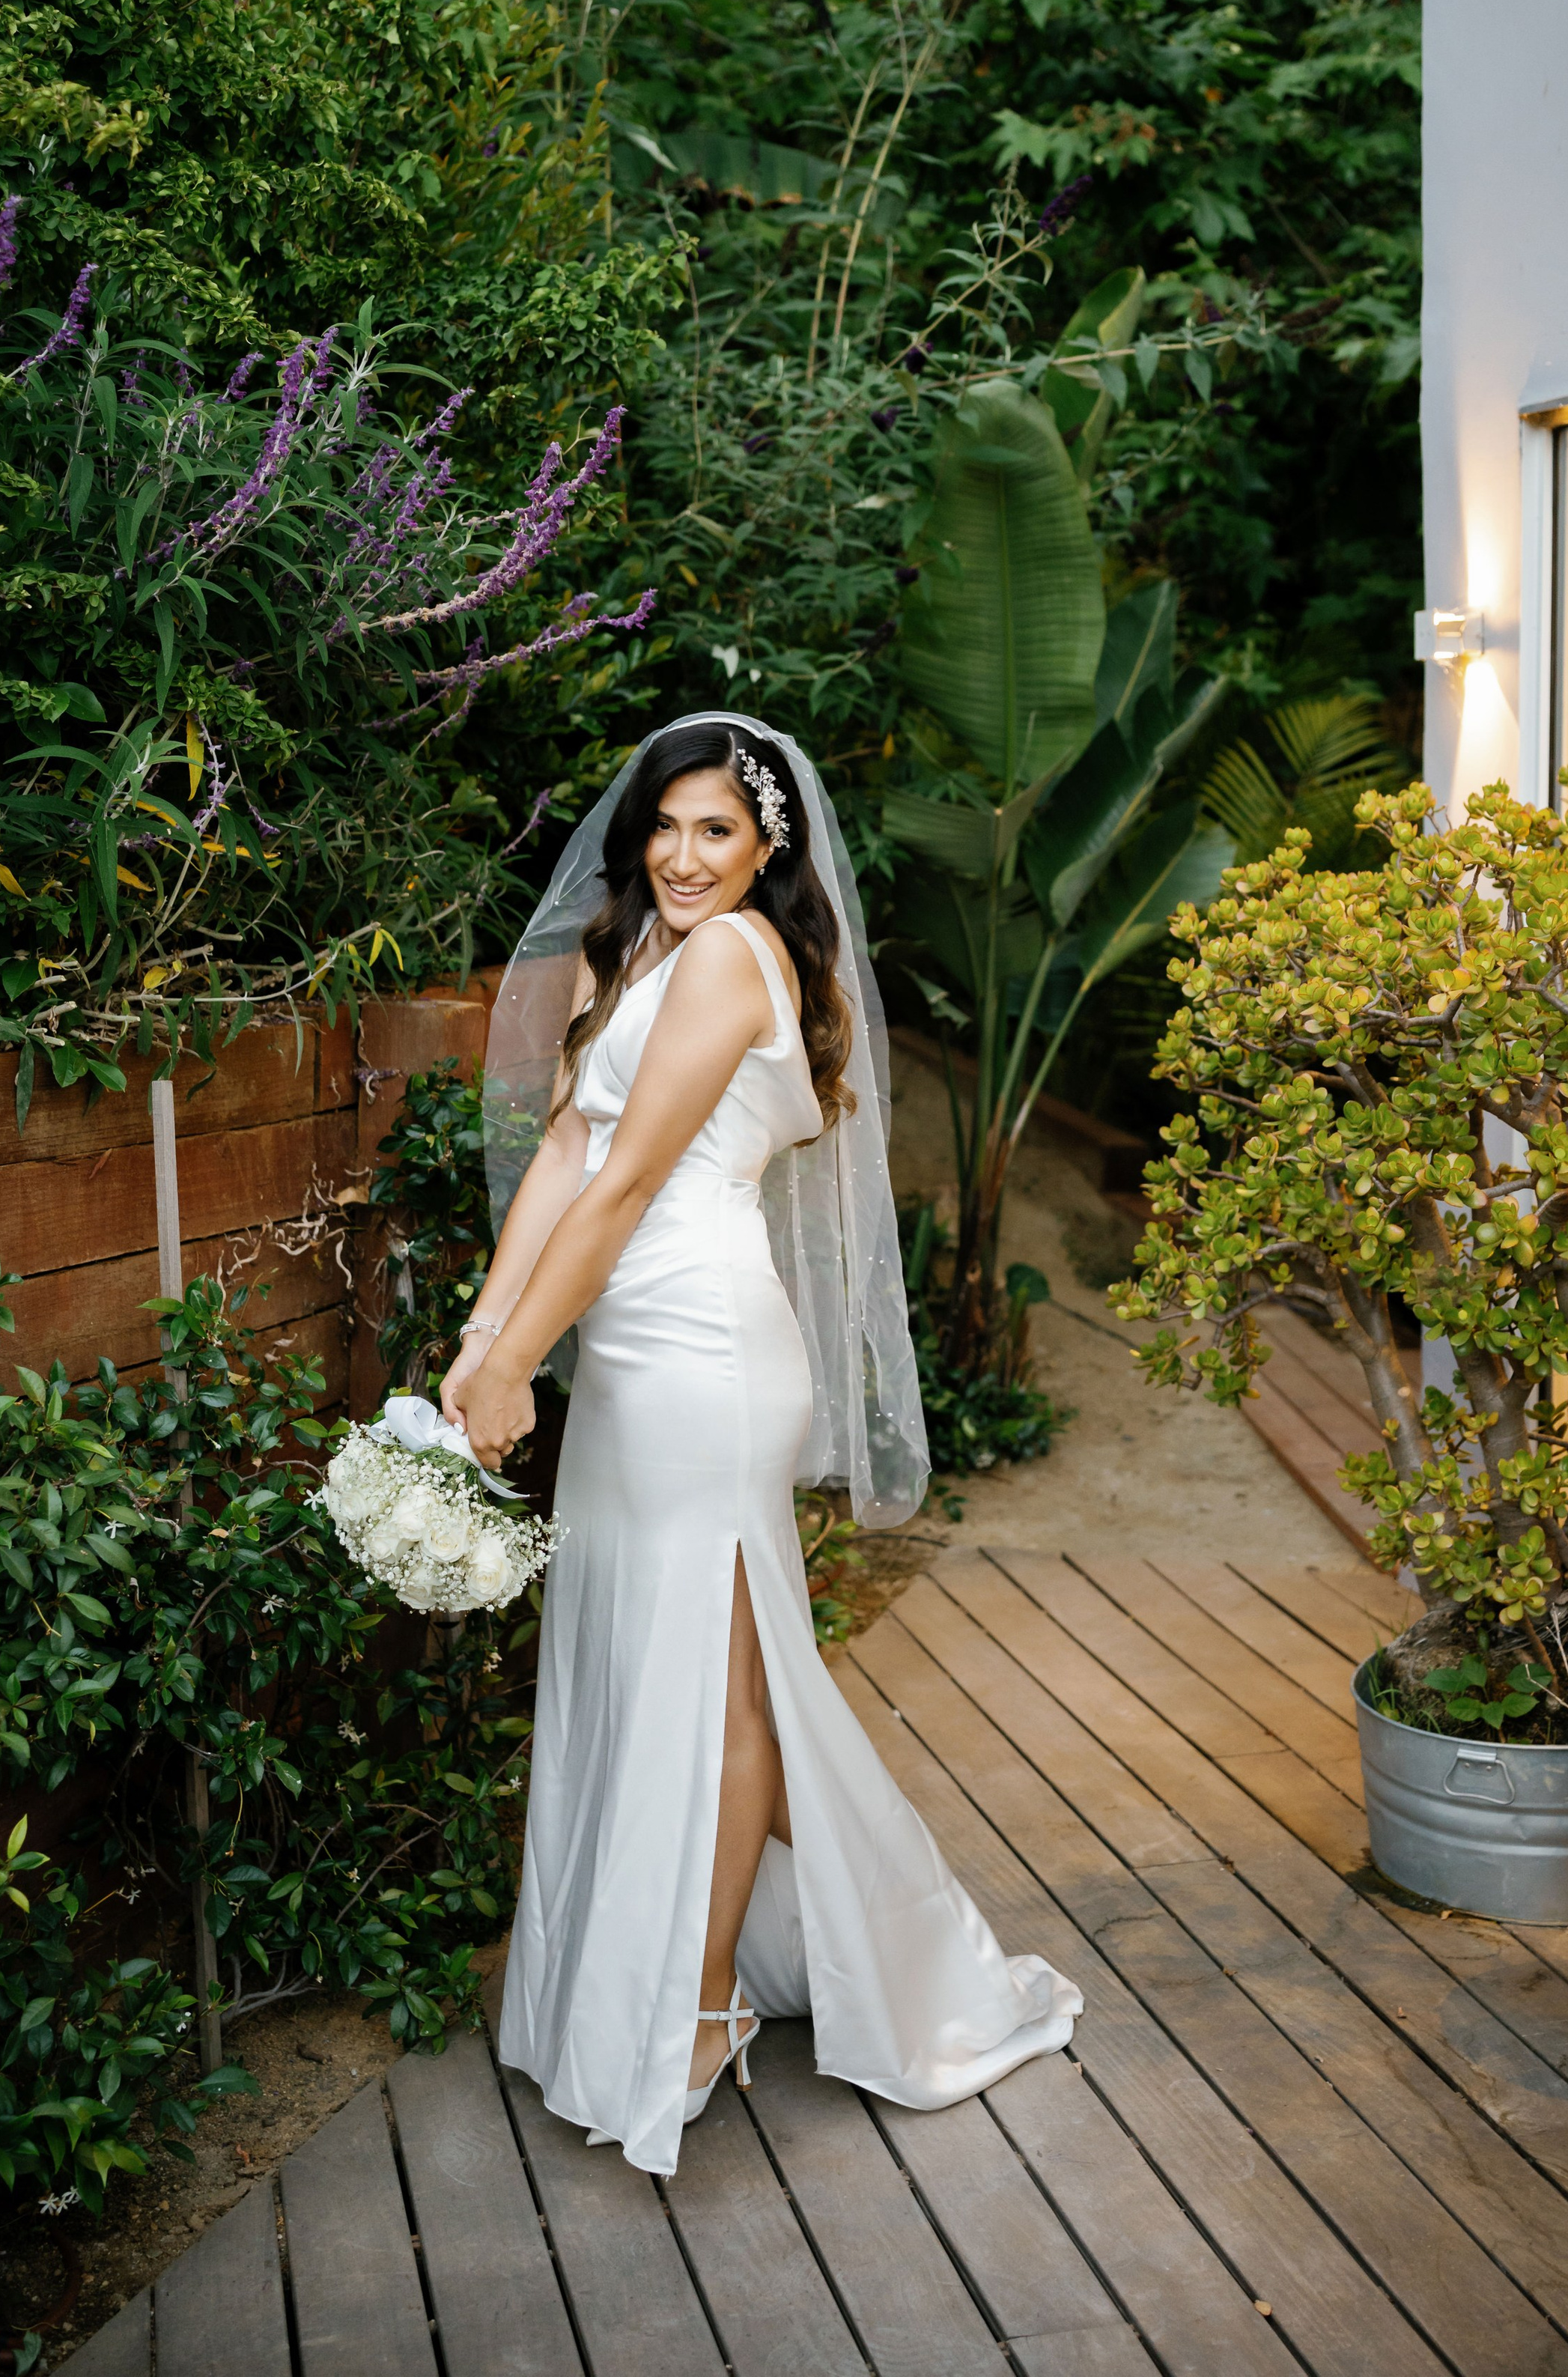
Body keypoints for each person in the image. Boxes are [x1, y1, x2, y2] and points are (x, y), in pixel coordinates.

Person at [441, 713, 1079, 2174]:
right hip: (624, 1360)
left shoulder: (735, 959)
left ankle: (712, 1997)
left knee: (719, 1686)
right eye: (663, 826)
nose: (679, 854)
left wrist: (521, 1355)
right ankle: (767, 1951)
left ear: (766, 849)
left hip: (705, 1357)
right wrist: (483, 1345)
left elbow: (630, 1187)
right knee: (642, 1662)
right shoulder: (629, 952)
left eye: (714, 830)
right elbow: (559, 1157)